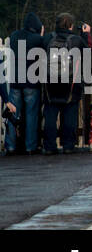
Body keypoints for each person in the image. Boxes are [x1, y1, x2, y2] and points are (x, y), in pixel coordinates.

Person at [41, 13, 92, 154]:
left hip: (50, 83)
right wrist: (86, 34)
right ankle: (68, 145)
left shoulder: (47, 39)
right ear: (71, 26)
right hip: (71, 83)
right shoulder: (75, 40)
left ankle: (49, 146)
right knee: (70, 114)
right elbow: (87, 52)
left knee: (50, 115)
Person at [5, 12, 45, 155]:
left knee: (12, 115)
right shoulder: (37, 39)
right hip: (31, 82)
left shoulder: (15, 36)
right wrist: (41, 34)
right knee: (31, 115)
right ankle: (30, 146)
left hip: (15, 81)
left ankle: (10, 145)